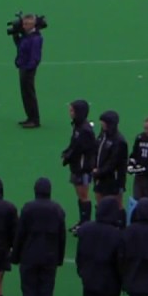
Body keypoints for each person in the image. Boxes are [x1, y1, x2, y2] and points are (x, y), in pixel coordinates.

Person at [13, 177, 66, 296]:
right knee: (45, 294)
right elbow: (62, 237)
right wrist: (59, 258)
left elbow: (19, 234)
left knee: (29, 293)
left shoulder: (28, 209)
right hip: (49, 258)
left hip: (28, 257)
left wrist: (15, 256)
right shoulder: (57, 209)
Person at [76, 195, 124, 296]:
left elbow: (80, 255)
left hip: (89, 278)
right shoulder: (117, 235)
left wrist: (81, 272)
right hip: (109, 282)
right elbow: (120, 262)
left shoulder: (86, 229)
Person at [61, 99, 95, 233]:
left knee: (83, 195)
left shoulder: (85, 130)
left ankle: (85, 224)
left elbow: (80, 149)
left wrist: (68, 157)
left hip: (83, 168)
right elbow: (74, 144)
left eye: (72, 110)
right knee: (80, 195)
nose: (70, 113)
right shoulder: (78, 126)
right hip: (77, 166)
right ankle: (82, 221)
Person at [12, 14, 43, 128]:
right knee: (25, 94)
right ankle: (30, 117)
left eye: (26, 24)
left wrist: (28, 67)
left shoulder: (36, 38)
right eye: (23, 23)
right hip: (23, 67)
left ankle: (35, 119)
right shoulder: (27, 36)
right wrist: (15, 36)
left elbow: (35, 56)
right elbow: (20, 46)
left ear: (32, 24)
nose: (24, 26)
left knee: (29, 94)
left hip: (28, 69)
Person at [92, 110, 128, 204]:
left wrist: (99, 171)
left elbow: (114, 162)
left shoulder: (119, 141)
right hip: (100, 177)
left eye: (104, 122)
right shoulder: (102, 136)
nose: (102, 123)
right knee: (100, 204)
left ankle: (119, 218)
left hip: (113, 180)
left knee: (115, 206)